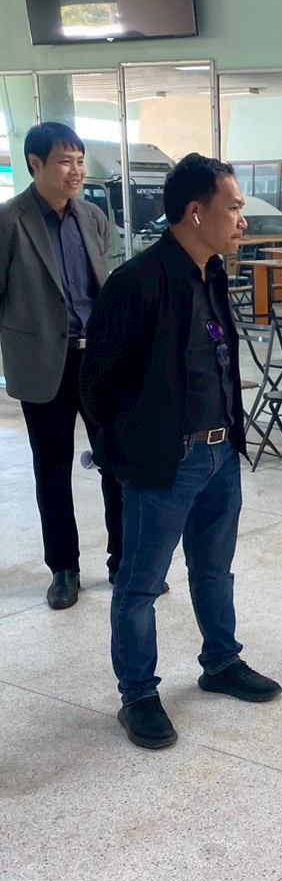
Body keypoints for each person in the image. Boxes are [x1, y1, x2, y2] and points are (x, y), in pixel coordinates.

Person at [81, 153, 282, 750]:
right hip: (164, 463)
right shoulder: (137, 282)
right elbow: (98, 385)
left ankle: (221, 661)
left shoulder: (211, 272)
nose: (242, 220)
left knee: (214, 569)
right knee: (140, 583)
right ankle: (138, 695)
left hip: (220, 454)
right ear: (196, 212)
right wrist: (124, 455)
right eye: (234, 208)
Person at [0, 122, 123, 609]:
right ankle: (64, 569)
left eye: (80, 161)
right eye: (65, 161)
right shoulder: (9, 221)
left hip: (98, 361)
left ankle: (124, 559)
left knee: (117, 461)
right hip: (43, 364)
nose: (76, 171)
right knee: (52, 470)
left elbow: (102, 287)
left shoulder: (92, 217)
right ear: (35, 164)